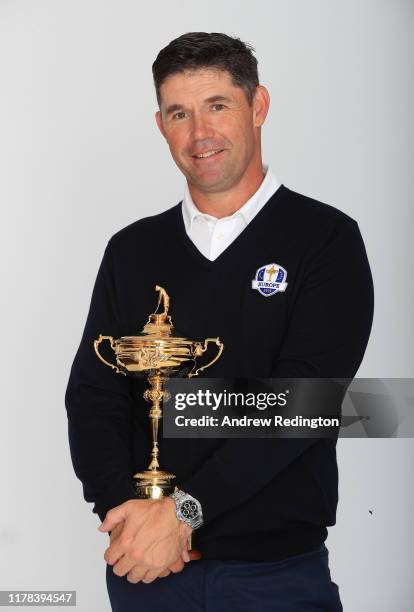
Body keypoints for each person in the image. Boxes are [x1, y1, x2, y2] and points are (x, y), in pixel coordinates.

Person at [65, 32, 374, 611]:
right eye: (179, 113)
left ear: (258, 107)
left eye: (218, 106)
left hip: (274, 573)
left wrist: (183, 514)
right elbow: (93, 394)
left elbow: (303, 403)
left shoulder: (325, 240)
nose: (199, 133)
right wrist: (127, 516)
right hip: (147, 571)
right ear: (161, 125)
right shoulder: (131, 250)